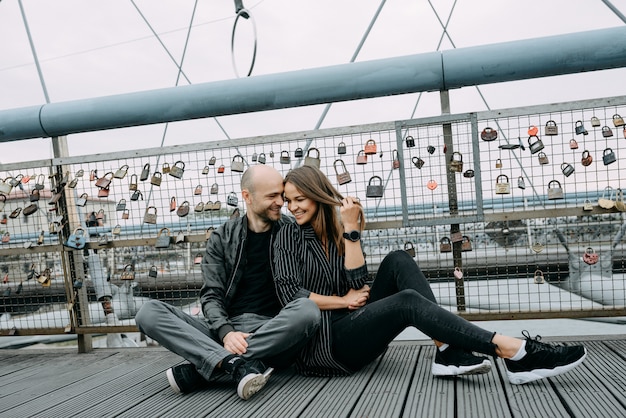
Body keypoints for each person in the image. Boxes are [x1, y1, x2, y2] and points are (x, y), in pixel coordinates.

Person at [272, 165, 587, 384]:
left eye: (300, 199)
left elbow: (358, 283)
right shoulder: (286, 234)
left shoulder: (337, 228)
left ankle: (447, 350)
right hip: (326, 348)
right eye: (288, 201)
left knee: (397, 259)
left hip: (356, 326)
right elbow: (291, 297)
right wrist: (342, 301)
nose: (292, 207)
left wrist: (351, 230)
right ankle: (513, 350)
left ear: (319, 194)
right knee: (407, 301)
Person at [135, 165, 321, 400]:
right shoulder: (222, 237)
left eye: (281, 196)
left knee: (307, 310)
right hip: (225, 330)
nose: (280, 203)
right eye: (272, 196)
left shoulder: (293, 232)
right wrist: (226, 333)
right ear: (247, 197)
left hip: (273, 331)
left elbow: (306, 287)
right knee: (148, 313)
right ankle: (236, 363)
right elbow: (212, 295)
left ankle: (213, 364)